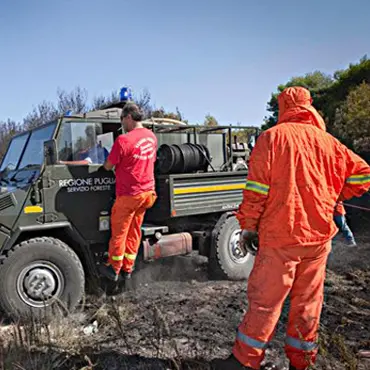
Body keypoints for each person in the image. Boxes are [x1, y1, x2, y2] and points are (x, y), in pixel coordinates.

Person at [211, 87, 370, 370]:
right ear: (309, 107)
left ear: (284, 107)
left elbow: (256, 191)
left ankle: (245, 362)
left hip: (281, 237)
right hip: (318, 239)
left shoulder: (271, 138)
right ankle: (302, 362)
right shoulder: (330, 143)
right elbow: (364, 174)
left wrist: (248, 227)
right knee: (308, 303)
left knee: (265, 302)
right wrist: (334, 194)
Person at [99, 102, 158, 283]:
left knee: (119, 233)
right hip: (148, 194)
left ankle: (114, 269)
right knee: (134, 231)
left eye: (122, 120)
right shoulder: (151, 137)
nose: (122, 125)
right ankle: (128, 268)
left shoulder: (123, 140)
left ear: (129, 117)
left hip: (129, 195)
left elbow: (108, 165)